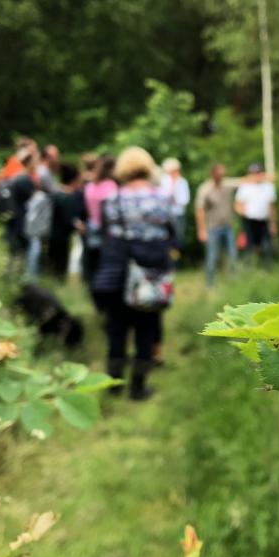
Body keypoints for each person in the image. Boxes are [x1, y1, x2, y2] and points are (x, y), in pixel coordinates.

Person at [92, 147, 176, 400]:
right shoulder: (163, 200)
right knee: (146, 329)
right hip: (151, 275)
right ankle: (138, 388)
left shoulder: (113, 202)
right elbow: (174, 236)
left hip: (118, 274)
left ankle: (115, 384)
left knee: (117, 329)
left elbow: (105, 236)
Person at [195, 163, 241, 288]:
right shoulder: (205, 189)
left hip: (228, 227)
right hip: (212, 228)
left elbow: (245, 181)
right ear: (213, 174)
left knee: (233, 254)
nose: (222, 177)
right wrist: (201, 230)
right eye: (220, 174)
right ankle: (210, 284)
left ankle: (234, 281)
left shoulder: (226, 184)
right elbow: (200, 211)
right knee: (212, 257)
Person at [83, 155, 118, 304]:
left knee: (93, 265)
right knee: (106, 266)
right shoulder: (111, 186)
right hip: (106, 231)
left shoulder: (90, 186)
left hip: (92, 227)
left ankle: (95, 296)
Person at [48, 163, 87, 279]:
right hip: (62, 237)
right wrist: (79, 227)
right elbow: (69, 219)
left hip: (52, 235)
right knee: (60, 268)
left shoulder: (55, 193)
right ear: (74, 179)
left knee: (52, 265)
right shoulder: (68, 197)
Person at [235, 163, 277, 267]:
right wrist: (245, 214)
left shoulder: (269, 187)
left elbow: (271, 207)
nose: (256, 175)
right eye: (253, 173)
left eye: (258, 172)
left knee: (266, 246)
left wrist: (273, 223)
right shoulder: (245, 186)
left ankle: (266, 268)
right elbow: (238, 205)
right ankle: (248, 267)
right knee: (249, 246)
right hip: (250, 221)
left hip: (264, 220)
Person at [159, 158, 190, 240]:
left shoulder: (182, 182)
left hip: (178, 214)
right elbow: (163, 197)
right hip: (165, 214)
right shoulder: (163, 180)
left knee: (177, 238)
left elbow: (184, 200)